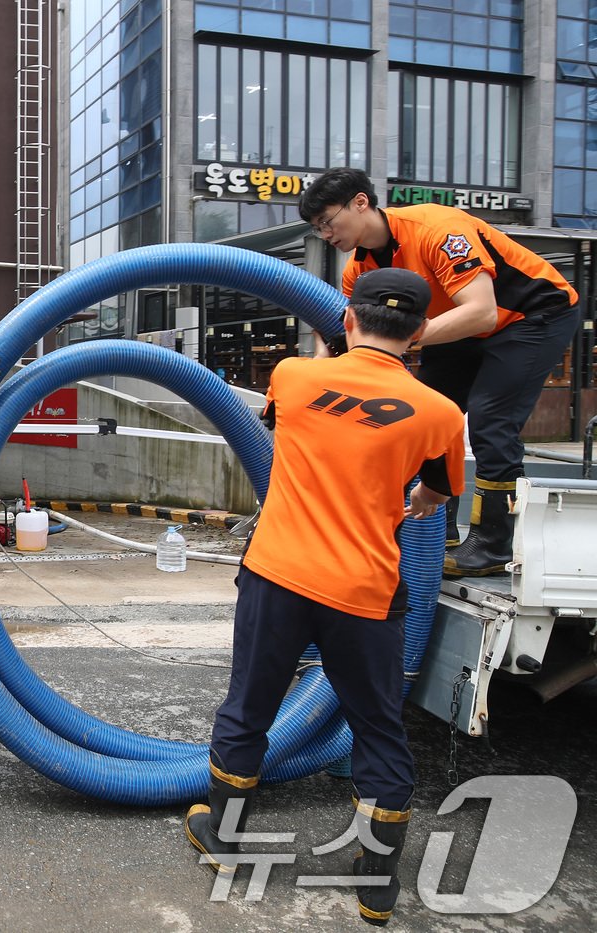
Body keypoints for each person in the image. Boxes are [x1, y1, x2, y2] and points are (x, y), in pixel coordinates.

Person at [183, 269, 466, 927]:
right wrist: (413, 502)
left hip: (278, 574)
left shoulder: (296, 377)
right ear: (420, 332)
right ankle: (374, 885)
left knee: (249, 707)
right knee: (377, 728)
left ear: (348, 321)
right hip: (364, 592)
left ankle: (224, 838)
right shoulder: (440, 413)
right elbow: (439, 491)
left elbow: (281, 429)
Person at [299, 167, 579, 577]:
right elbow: (343, 331)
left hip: (530, 316)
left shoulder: (436, 229)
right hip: (450, 327)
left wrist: (401, 339)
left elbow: (481, 312)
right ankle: (435, 531)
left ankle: (493, 543)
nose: (326, 235)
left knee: (490, 419)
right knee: (421, 416)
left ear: (361, 202)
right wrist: (316, 379)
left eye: (327, 222)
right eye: (317, 228)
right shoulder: (358, 271)